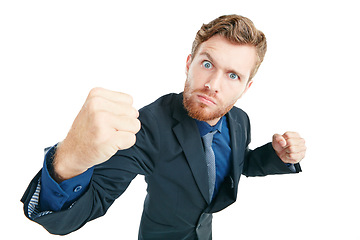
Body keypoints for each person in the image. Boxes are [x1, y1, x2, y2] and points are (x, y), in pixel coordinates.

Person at [21, 14, 306, 239]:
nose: (213, 85)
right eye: (207, 64)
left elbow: (239, 162)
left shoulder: (240, 119)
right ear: (189, 63)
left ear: (246, 87)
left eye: (233, 75)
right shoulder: (149, 127)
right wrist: (70, 159)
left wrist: (276, 157)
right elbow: (83, 208)